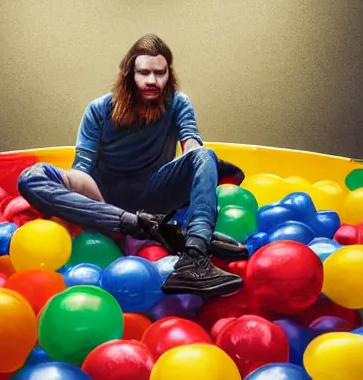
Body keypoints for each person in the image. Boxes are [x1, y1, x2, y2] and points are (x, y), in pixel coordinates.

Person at [17, 34, 247, 299]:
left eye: (160, 73)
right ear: (129, 75)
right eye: (144, 73)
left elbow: (191, 143)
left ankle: (195, 256)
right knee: (30, 177)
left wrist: (200, 166)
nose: (152, 81)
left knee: (205, 155)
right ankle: (153, 231)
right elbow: (81, 168)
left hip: (153, 197)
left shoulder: (177, 103)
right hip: (103, 203)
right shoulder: (99, 110)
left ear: (168, 75)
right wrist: (74, 201)